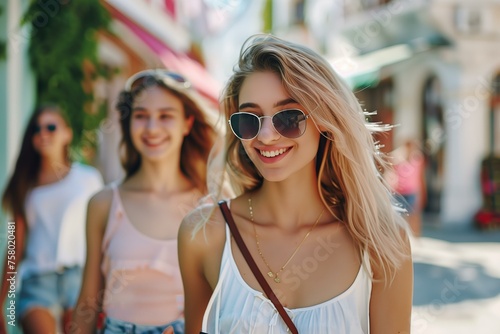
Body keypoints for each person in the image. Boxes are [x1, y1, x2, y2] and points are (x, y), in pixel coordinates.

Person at [178, 34, 413, 334]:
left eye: (288, 117)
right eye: (250, 119)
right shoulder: (203, 235)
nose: (265, 136)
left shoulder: (382, 242)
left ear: (325, 120)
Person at [71, 69, 219, 334]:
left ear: (187, 123)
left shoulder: (210, 207)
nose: (152, 128)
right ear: (129, 123)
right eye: (141, 116)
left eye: (165, 116)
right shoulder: (103, 204)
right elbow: (87, 303)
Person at [0, 104, 103, 334]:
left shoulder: (88, 179)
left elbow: (104, 236)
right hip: (37, 280)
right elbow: (15, 244)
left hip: (79, 280)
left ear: (67, 133)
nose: (43, 134)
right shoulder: (24, 185)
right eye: (37, 129)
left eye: (51, 127)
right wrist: (1, 301)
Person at [389, 138, 427, 237]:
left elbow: (420, 178)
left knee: (414, 216)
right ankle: (399, 237)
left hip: (411, 192)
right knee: (398, 217)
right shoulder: (398, 159)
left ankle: (416, 236)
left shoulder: (418, 160)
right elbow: (391, 173)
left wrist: (422, 193)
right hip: (399, 193)